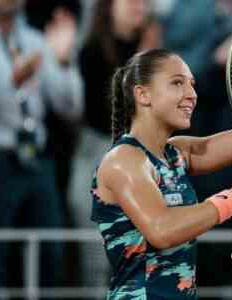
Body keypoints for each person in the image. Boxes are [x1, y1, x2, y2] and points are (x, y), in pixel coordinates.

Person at [91, 20, 232, 299]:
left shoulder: (178, 153)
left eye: (192, 84)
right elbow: (161, 229)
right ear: (143, 94)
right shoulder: (123, 160)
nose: (191, 94)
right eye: (177, 83)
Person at [0, 0, 83, 294]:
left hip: (37, 159)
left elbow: (71, 107)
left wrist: (65, 60)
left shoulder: (35, 40)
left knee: (49, 256)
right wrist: (11, 80)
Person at [70, 0, 161, 291]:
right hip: (96, 153)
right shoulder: (91, 51)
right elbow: (107, 112)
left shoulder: (156, 50)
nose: (139, 5)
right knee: (97, 256)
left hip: (144, 159)